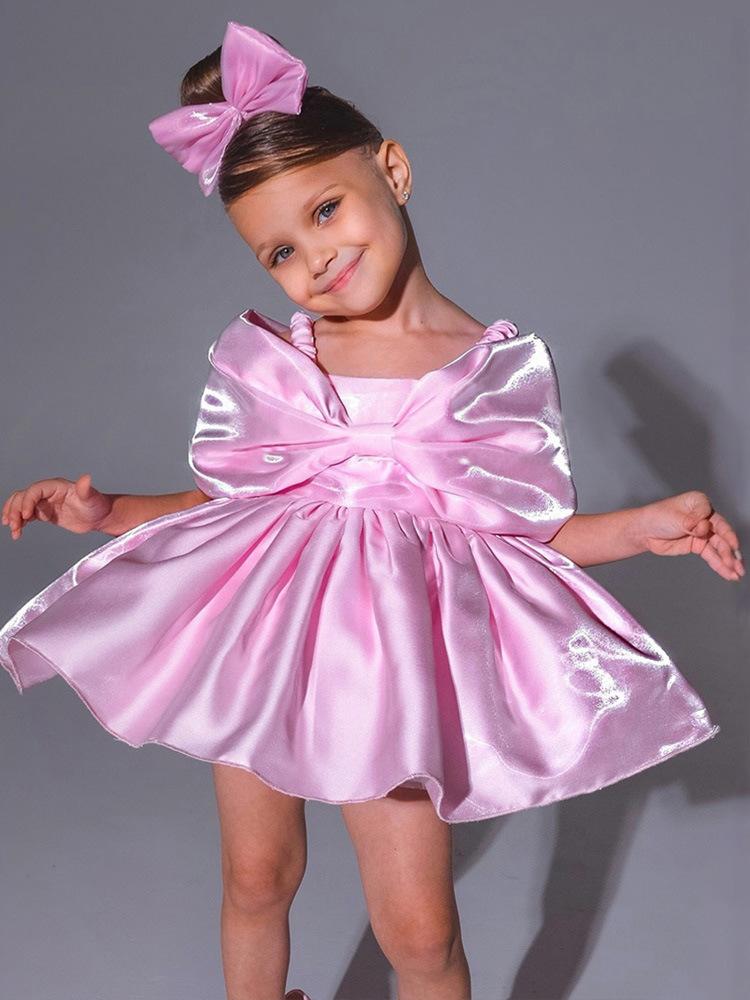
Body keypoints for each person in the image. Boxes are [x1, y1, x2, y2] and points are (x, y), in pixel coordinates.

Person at [0, 21, 741, 1000]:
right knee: (257, 877)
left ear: (392, 169)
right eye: (280, 250)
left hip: (388, 674)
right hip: (262, 642)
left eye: (326, 209)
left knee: (420, 932)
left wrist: (643, 527)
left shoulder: (491, 372)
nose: (315, 258)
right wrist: (109, 513)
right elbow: (229, 512)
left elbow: (522, 535)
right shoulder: (284, 362)